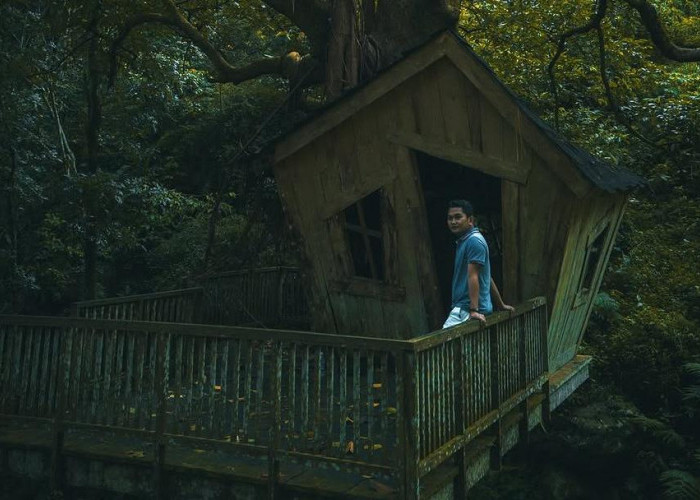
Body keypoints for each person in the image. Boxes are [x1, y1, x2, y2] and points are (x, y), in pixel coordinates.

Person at [442, 200, 514, 329]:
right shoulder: (466, 241)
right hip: (471, 309)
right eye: (450, 218)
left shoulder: (473, 241)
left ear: (470, 220)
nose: (453, 222)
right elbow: (486, 277)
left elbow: (473, 276)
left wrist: (473, 310)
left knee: (442, 345)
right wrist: (500, 304)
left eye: (458, 217)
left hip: (465, 310)